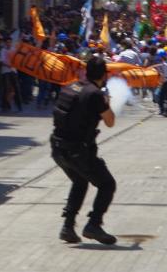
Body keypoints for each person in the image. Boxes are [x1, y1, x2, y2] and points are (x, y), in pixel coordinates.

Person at [50, 56, 117, 245]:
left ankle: (68, 227)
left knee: (80, 180)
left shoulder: (70, 87)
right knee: (107, 185)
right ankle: (94, 224)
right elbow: (110, 122)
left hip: (58, 148)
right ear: (104, 75)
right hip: (78, 150)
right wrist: (106, 102)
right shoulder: (95, 94)